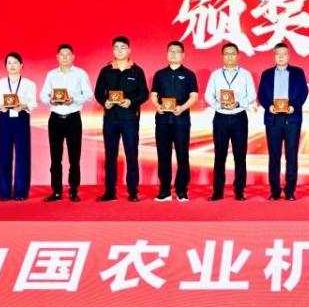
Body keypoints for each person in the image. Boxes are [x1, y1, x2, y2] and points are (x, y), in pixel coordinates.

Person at [93, 36, 150, 201]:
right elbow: (98, 92)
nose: (119, 50)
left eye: (123, 47)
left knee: (131, 155)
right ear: (113, 50)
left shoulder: (136, 71)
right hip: (110, 118)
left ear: (129, 50)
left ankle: (133, 192)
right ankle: (110, 192)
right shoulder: (106, 70)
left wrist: (131, 101)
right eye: (116, 47)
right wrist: (105, 102)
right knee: (110, 156)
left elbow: (144, 93)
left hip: (130, 118)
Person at [39, 43, 93, 202]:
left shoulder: (80, 74)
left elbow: (89, 95)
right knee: (55, 158)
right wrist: (51, 100)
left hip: (73, 117)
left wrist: (73, 100)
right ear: (57, 57)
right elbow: (43, 95)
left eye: (68, 54)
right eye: (61, 55)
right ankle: (56, 191)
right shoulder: (51, 75)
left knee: (74, 157)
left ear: (73, 57)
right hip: (55, 118)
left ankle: (73, 190)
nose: (64, 57)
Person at [204, 42, 257, 201]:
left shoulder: (245, 74)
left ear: (238, 55)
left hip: (239, 117)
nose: (230, 56)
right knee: (219, 156)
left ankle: (239, 190)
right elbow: (208, 95)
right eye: (226, 54)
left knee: (240, 156)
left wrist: (239, 104)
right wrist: (218, 104)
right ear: (222, 56)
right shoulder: (215, 75)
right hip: (220, 118)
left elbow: (252, 95)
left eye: (233, 53)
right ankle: (217, 192)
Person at [257, 42, 309, 201]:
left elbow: (303, 92)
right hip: (273, 119)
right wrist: (269, 106)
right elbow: (262, 94)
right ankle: (274, 190)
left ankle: (290, 191)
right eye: (278, 54)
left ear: (289, 56)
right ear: (274, 56)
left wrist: (294, 106)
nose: (281, 57)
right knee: (274, 156)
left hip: (292, 118)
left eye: (284, 54)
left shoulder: (298, 72)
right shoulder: (266, 74)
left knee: (291, 156)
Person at [151, 40, 199, 202]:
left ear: (183, 55)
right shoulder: (159, 74)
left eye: (177, 51)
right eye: (170, 51)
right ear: (167, 54)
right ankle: (164, 191)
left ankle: (181, 190)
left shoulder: (189, 75)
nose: (173, 54)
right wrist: (157, 106)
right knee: (163, 155)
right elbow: (153, 95)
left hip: (181, 120)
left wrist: (182, 108)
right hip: (163, 120)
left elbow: (194, 96)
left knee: (182, 155)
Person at [0, 51, 38, 201]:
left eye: (15, 63)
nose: (12, 66)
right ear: (5, 66)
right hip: (4, 118)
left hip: (21, 117)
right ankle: (4, 193)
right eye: (9, 63)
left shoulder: (29, 84)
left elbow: (34, 103)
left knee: (23, 155)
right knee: (4, 154)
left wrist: (23, 105)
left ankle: (21, 192)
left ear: (21, 65)